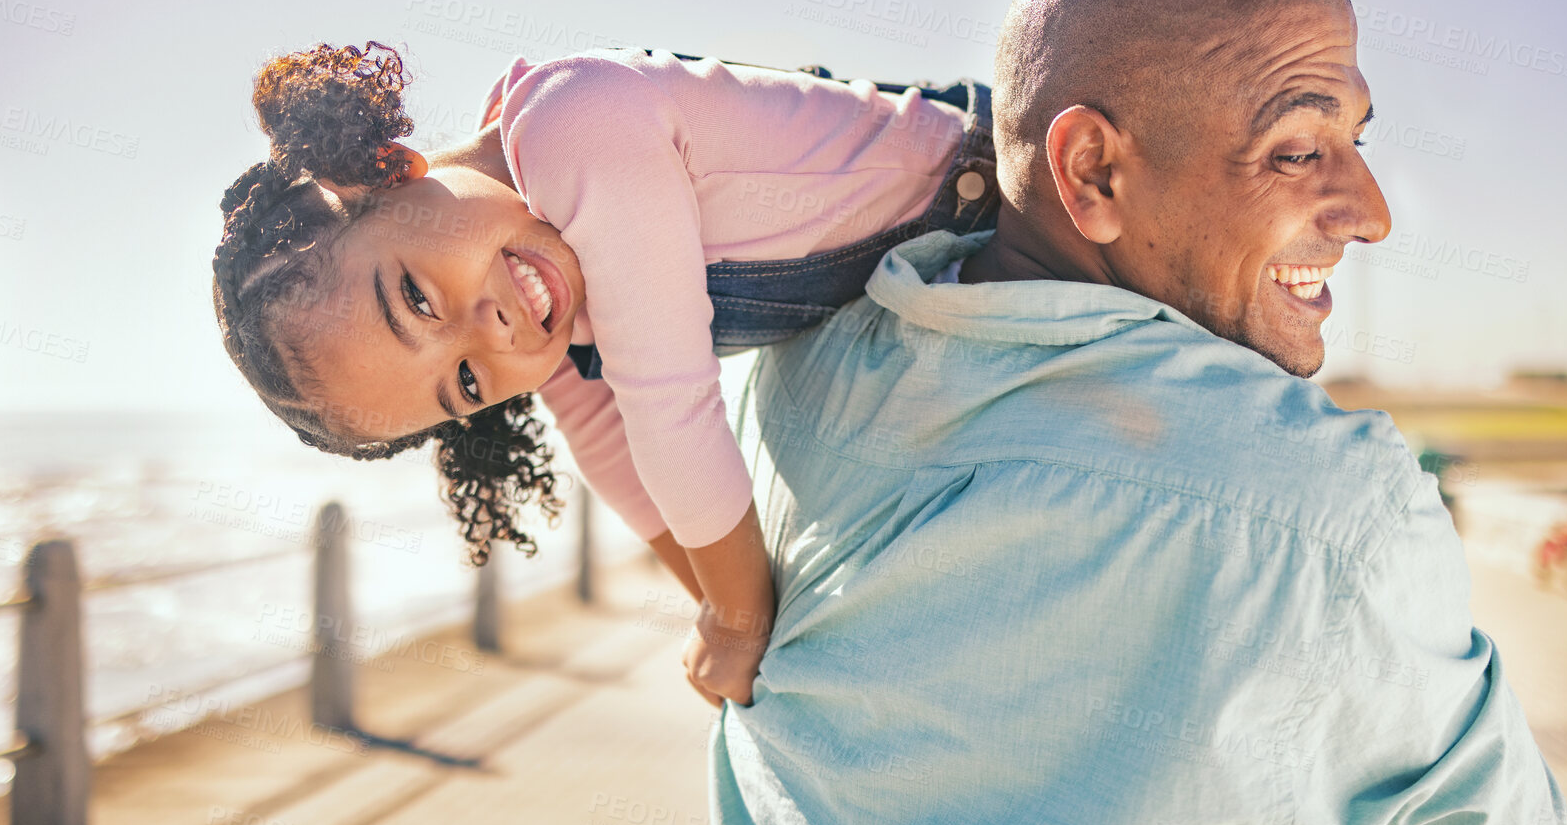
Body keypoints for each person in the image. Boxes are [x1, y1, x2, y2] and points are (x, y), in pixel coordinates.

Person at [711, 0, 1567, 825]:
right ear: (1092, 173)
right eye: (1299, 148)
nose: (1370, 208)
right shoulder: (1320, 507)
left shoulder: (797, 362)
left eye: (1357, 139)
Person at [209, 43, 998, 704]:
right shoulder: (543, 284)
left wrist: (738, 621)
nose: (491, 333)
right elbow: (612, 450)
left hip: (992, 190)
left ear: (387, 171)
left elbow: (670, 408)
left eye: (415, 298)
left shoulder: (571, 123)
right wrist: (722, 619)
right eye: (467, 384)